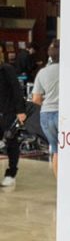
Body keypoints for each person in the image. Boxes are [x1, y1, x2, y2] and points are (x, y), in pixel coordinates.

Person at [32, 39, 60, 178]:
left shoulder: (42, 72)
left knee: (56, 150)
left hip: (46, 115)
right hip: (63, 114)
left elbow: (36, 100)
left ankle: (59, 182)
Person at [0, 52, 26, 187]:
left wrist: (20, 110)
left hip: (8, 113)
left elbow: (17, 90)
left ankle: (11, 174)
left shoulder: (6, 69)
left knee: (11, 142)